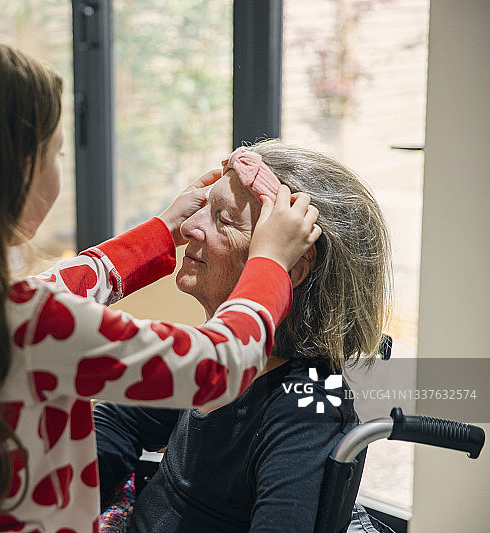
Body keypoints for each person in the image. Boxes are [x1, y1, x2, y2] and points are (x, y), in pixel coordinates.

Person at [0, 33, 320, 533]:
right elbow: (217, 365)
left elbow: (59, 285)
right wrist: (270, 262)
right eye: (58, 154)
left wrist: (158, 235)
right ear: (21, 172)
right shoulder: (35, 325)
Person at [95, 139, 393, 532]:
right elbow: (121, 419)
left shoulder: (304, 409)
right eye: (204, 208)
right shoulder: (213, 355)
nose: (189, 227)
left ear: (290, 268)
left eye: (224, 219)